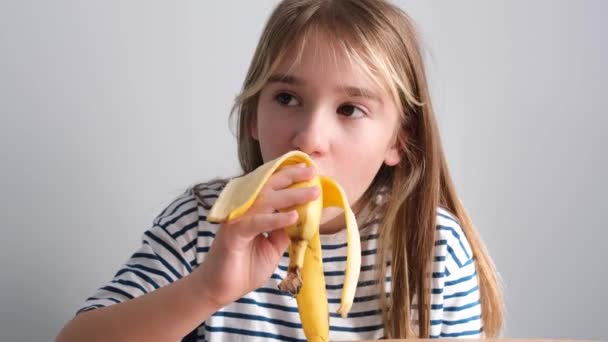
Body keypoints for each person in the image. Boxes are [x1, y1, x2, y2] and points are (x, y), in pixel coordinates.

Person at [56, 0, 504, 341]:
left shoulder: (434, 249)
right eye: (287, 99)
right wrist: (206, 289)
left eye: (349, 109)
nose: (309, 138)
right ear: (253, 115)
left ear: (397, 141)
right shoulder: (201, 225)